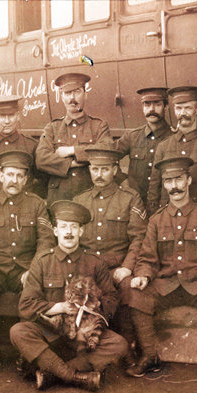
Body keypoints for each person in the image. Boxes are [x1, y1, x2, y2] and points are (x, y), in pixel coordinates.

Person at [128, 156, 197, 383]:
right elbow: (147, 258)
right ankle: (149, 356)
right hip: (166, 287)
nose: (174, 186)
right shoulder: (156, 220)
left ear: (189, 180)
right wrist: (142, 275)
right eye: (168, 181)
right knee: (137, 296)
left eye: (179, 179)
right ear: (163, 185)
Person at [10, 201, 128, 391]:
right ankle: (74, 376)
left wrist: (93, 310)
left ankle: (52, 374)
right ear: (55, 231)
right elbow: (26, 305)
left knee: (119, 345)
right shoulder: (42, 261)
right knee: (18, 331)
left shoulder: (94, 262)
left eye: (73, 227)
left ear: (81, 231)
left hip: (83, 335)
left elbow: (111, 298)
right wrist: (59, 307)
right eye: (63, 226)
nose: (69, 232)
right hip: (50, 334)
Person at [0, 150, 55, 374]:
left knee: (32, 291)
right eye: (9, 175)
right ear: (1, 176)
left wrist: (34, 270)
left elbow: (46, 241)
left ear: (25, 180)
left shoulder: (37, 205)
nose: (14, 180)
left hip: (25, 268)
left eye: (19, 176)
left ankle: (24, 352)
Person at [73, 148, 147, 367]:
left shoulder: (130, 198)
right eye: (95, 169)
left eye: (105, 169)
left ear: (115, 170)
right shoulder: (80, 200)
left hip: (116, 268)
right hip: (87, 268)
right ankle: (81, 350)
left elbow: (138, 238)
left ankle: (128, 348)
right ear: (89, 170)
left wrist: (127, 267)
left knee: (127, 287)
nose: (99, 174)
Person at [36, 73, 115, 206]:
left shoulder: (99, 126)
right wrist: (73, 163)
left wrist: (72, 150)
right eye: (67, 93)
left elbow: (106, 149)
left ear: (85, 94)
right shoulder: (52, 128)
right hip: (60, 197)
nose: (72, 98)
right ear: (62, 97)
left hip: (90, 196)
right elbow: (41, 159)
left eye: (77, 92)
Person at [147, 86, 197, 213]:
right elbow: (154, 190)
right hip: (168, 216)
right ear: (174, 110)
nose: (183, 113)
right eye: (179, 108)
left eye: (188, 108)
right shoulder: (163, 146)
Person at [0, 95, 46, 198]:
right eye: (2, 116)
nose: (7, 121)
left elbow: (41, 180)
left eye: (11, 115)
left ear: (18, 116)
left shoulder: (31, 145)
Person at [116, 87, 172, 207]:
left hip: (164, 205)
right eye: (147, 105)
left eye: (157, 104)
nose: (151, 109)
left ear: (166, 107)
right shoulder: (133, 136)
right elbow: (109, 156)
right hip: (135, 204)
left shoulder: (174, 138)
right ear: (142, 107)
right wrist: (121, 180)